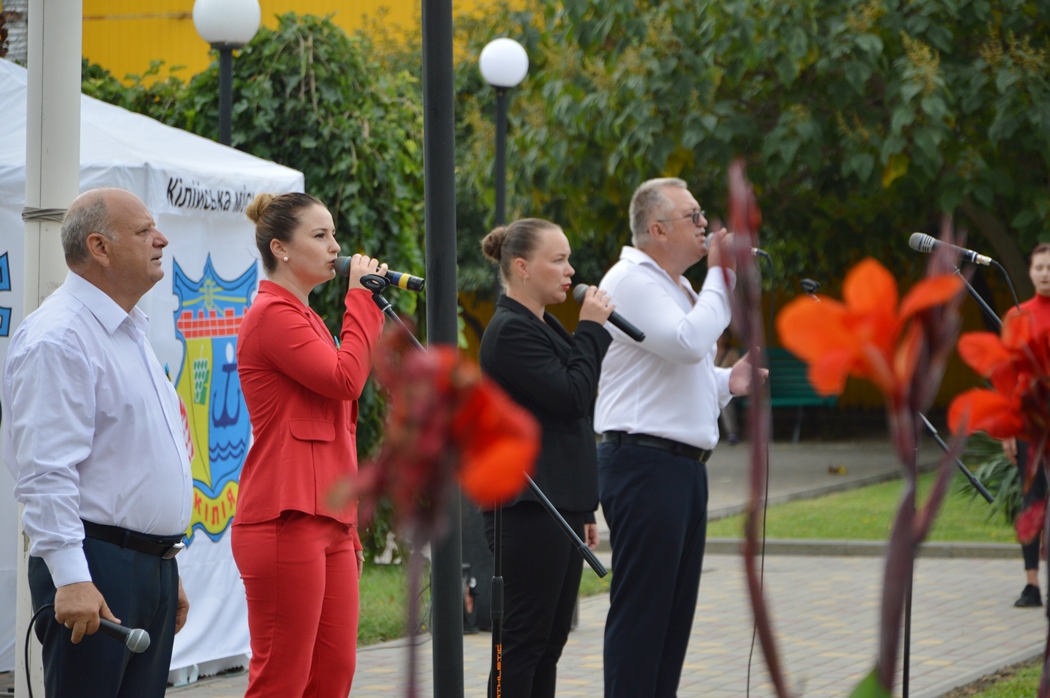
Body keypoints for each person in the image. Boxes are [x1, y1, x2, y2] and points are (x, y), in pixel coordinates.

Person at [4, 188, 192, 698]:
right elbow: (45, 473)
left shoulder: (126, 329)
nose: (161, 239)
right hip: (95, 566)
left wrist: (161, 563)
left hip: (141, 566)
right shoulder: (60, 337)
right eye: (143, 231)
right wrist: (71, 578)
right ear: (99, 247)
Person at [594, 178, 765, 697]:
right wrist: (720, 273)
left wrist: (725, 383)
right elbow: (690, 342)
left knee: (671, 621)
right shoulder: (632, 279)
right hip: (644, 466)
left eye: (702, 214)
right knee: (643, 616)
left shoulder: (673, 286)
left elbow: (676, 371)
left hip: (680, 468)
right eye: (692, 216)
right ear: (656, 228)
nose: (705, 225)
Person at [232, 192, 385, 697]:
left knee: (333, 674)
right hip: (285, 517)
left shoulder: (310, 320)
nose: (335, 247)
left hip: (331, 519)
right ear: (280, 248)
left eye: (333, 234)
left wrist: (352, 528)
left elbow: (340, 432)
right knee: (283, 677)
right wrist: (361, 299)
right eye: (319, 236)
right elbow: (346, 380)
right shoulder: (272, 314)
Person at [478, 217, 614, 698]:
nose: (570, 271)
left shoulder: (541, 323)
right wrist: (593, 331)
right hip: (528, 509)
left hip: (559, 508)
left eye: (568, 259)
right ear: (521, 267)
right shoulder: (510, 332)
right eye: (558, 260)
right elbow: (574, 396)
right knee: (521, 643)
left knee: (550, 642)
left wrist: (584, 507)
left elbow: (565, 427)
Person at [1002, 243, 1050, 608]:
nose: (1046, 273)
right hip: (1029, 423)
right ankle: (1032, 584)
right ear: (1030, 272)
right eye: (1040, 268)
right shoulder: (1017, 316)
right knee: (1033, 500)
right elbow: (1007, 376)